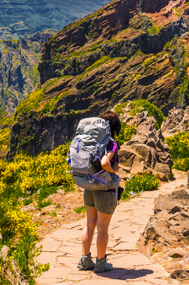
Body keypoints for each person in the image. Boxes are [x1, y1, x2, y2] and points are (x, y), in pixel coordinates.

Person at [77, 111, 121, 273]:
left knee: (89, 225)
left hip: (89, 186)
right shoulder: (110, 143)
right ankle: (101, 263)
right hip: (104, 189)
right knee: (102, 228)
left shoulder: (89, 141)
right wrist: (114, 169)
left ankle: (85, 260)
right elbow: (104, 163)